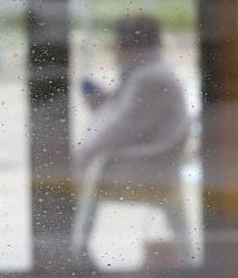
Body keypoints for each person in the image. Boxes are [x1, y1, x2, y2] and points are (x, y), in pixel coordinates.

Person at [72, 15, 193, 267]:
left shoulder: (149, 78)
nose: (110, 48)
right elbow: (130, 121)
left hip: (146, 169)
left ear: (128, 44)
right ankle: (77, 252)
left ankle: (77, 253)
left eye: (114, 42)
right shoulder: (145, 73)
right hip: (149, 164)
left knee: (76, 174)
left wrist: (82, 155)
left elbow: (122, 129)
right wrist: (102, 102)